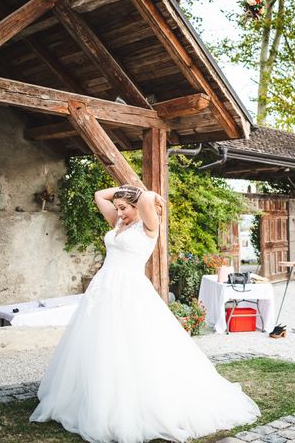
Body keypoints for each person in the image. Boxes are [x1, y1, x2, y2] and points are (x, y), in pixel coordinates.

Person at [30, 185, 260, 441]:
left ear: (137, 206)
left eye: (124, 208)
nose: (118, 213)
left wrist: (142, 194)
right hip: (103, 290)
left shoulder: (149, 225)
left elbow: (149, 198)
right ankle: (96, 396)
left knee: (134, 345)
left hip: (130, 291)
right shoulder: (119, 221)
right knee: (101, 345)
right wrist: (122, 192)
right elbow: (98, 196)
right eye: (116, 208)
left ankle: (132, 404)